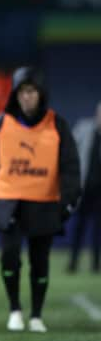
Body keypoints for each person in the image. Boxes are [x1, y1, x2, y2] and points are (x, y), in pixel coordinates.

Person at [0, 67, 80, 333]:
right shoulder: (2, 123)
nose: (27, 97)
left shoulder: (57, 124)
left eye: (32, 91)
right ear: (15, 95)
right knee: (9, 257)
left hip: (44, 201)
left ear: (40, 94)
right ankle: (15, 309)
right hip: (8, 200)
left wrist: (69, 200)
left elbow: (70, 165)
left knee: (40, 261)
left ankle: (36, 314)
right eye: (22, 92)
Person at [68, 102, 101, 273]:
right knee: (78, 228)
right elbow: (69, 148)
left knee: (98, 230)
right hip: (84, 188)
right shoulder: (84, 128)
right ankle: (73, 263)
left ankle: (96, 265)